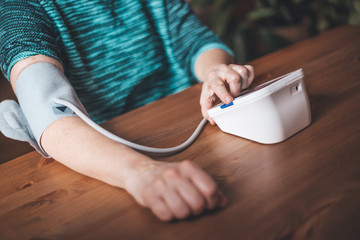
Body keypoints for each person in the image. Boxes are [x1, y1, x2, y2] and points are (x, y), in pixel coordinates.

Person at [0, 0, 254, 221]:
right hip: (103, 157)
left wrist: (215, 71)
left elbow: (196, 40)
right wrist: (140, 172)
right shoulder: (18, 7)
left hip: (190, 126)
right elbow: (46, 109)